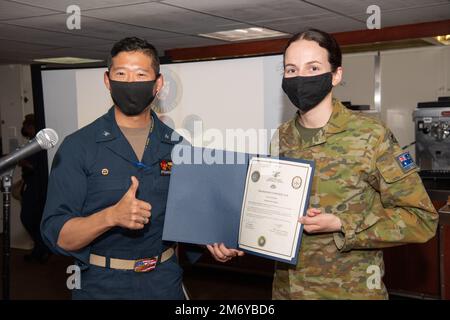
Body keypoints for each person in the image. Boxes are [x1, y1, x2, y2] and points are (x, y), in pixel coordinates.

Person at [208, 29, 438, 299]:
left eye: (313, 67)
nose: (300, 78)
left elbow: (421, 219)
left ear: (336, 75)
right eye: (291, 70)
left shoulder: (370, 136)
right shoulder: (281, 136)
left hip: (349, 293)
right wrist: (234, 239)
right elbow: (271, 207)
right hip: (287, 291)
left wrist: (342, 223)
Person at [41, 37, 188, 299]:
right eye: (121, 74)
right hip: (101, 286)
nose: (131, 83)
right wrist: (111, 217)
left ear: (158, 84)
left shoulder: (178, 146)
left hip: (164, 283)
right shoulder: (78, 146)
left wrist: (218, 238)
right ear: (107, 81)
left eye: (141, 74)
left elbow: (193, 215)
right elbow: (59, 236)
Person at [19, 114, 50, 263]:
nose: (24, 128)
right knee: (34, 219)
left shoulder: (37, 145)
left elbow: (35, 167)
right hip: (34, 185)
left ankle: (41, 248)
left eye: (26, 125)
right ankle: (41, 249)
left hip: (36, 187)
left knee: (28, 217)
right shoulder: (34, 143)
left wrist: (22, 161)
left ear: (32, 127)